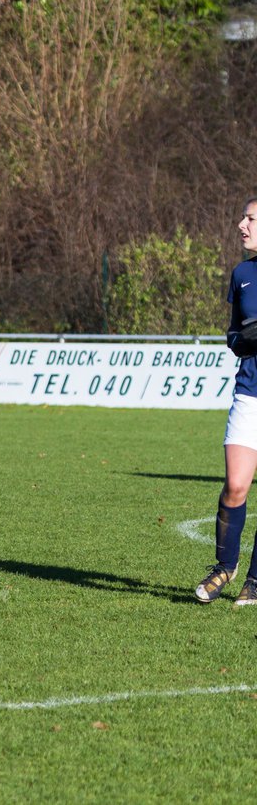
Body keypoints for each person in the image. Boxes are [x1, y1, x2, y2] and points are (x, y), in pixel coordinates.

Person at [197, 198, 257, 604]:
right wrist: (243, 340)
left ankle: (256, 581)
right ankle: (225, 566)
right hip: (249, 393)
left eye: (251, 218)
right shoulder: (241, 274)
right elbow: (234, 334)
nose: (241, 224)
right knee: (236, 485)